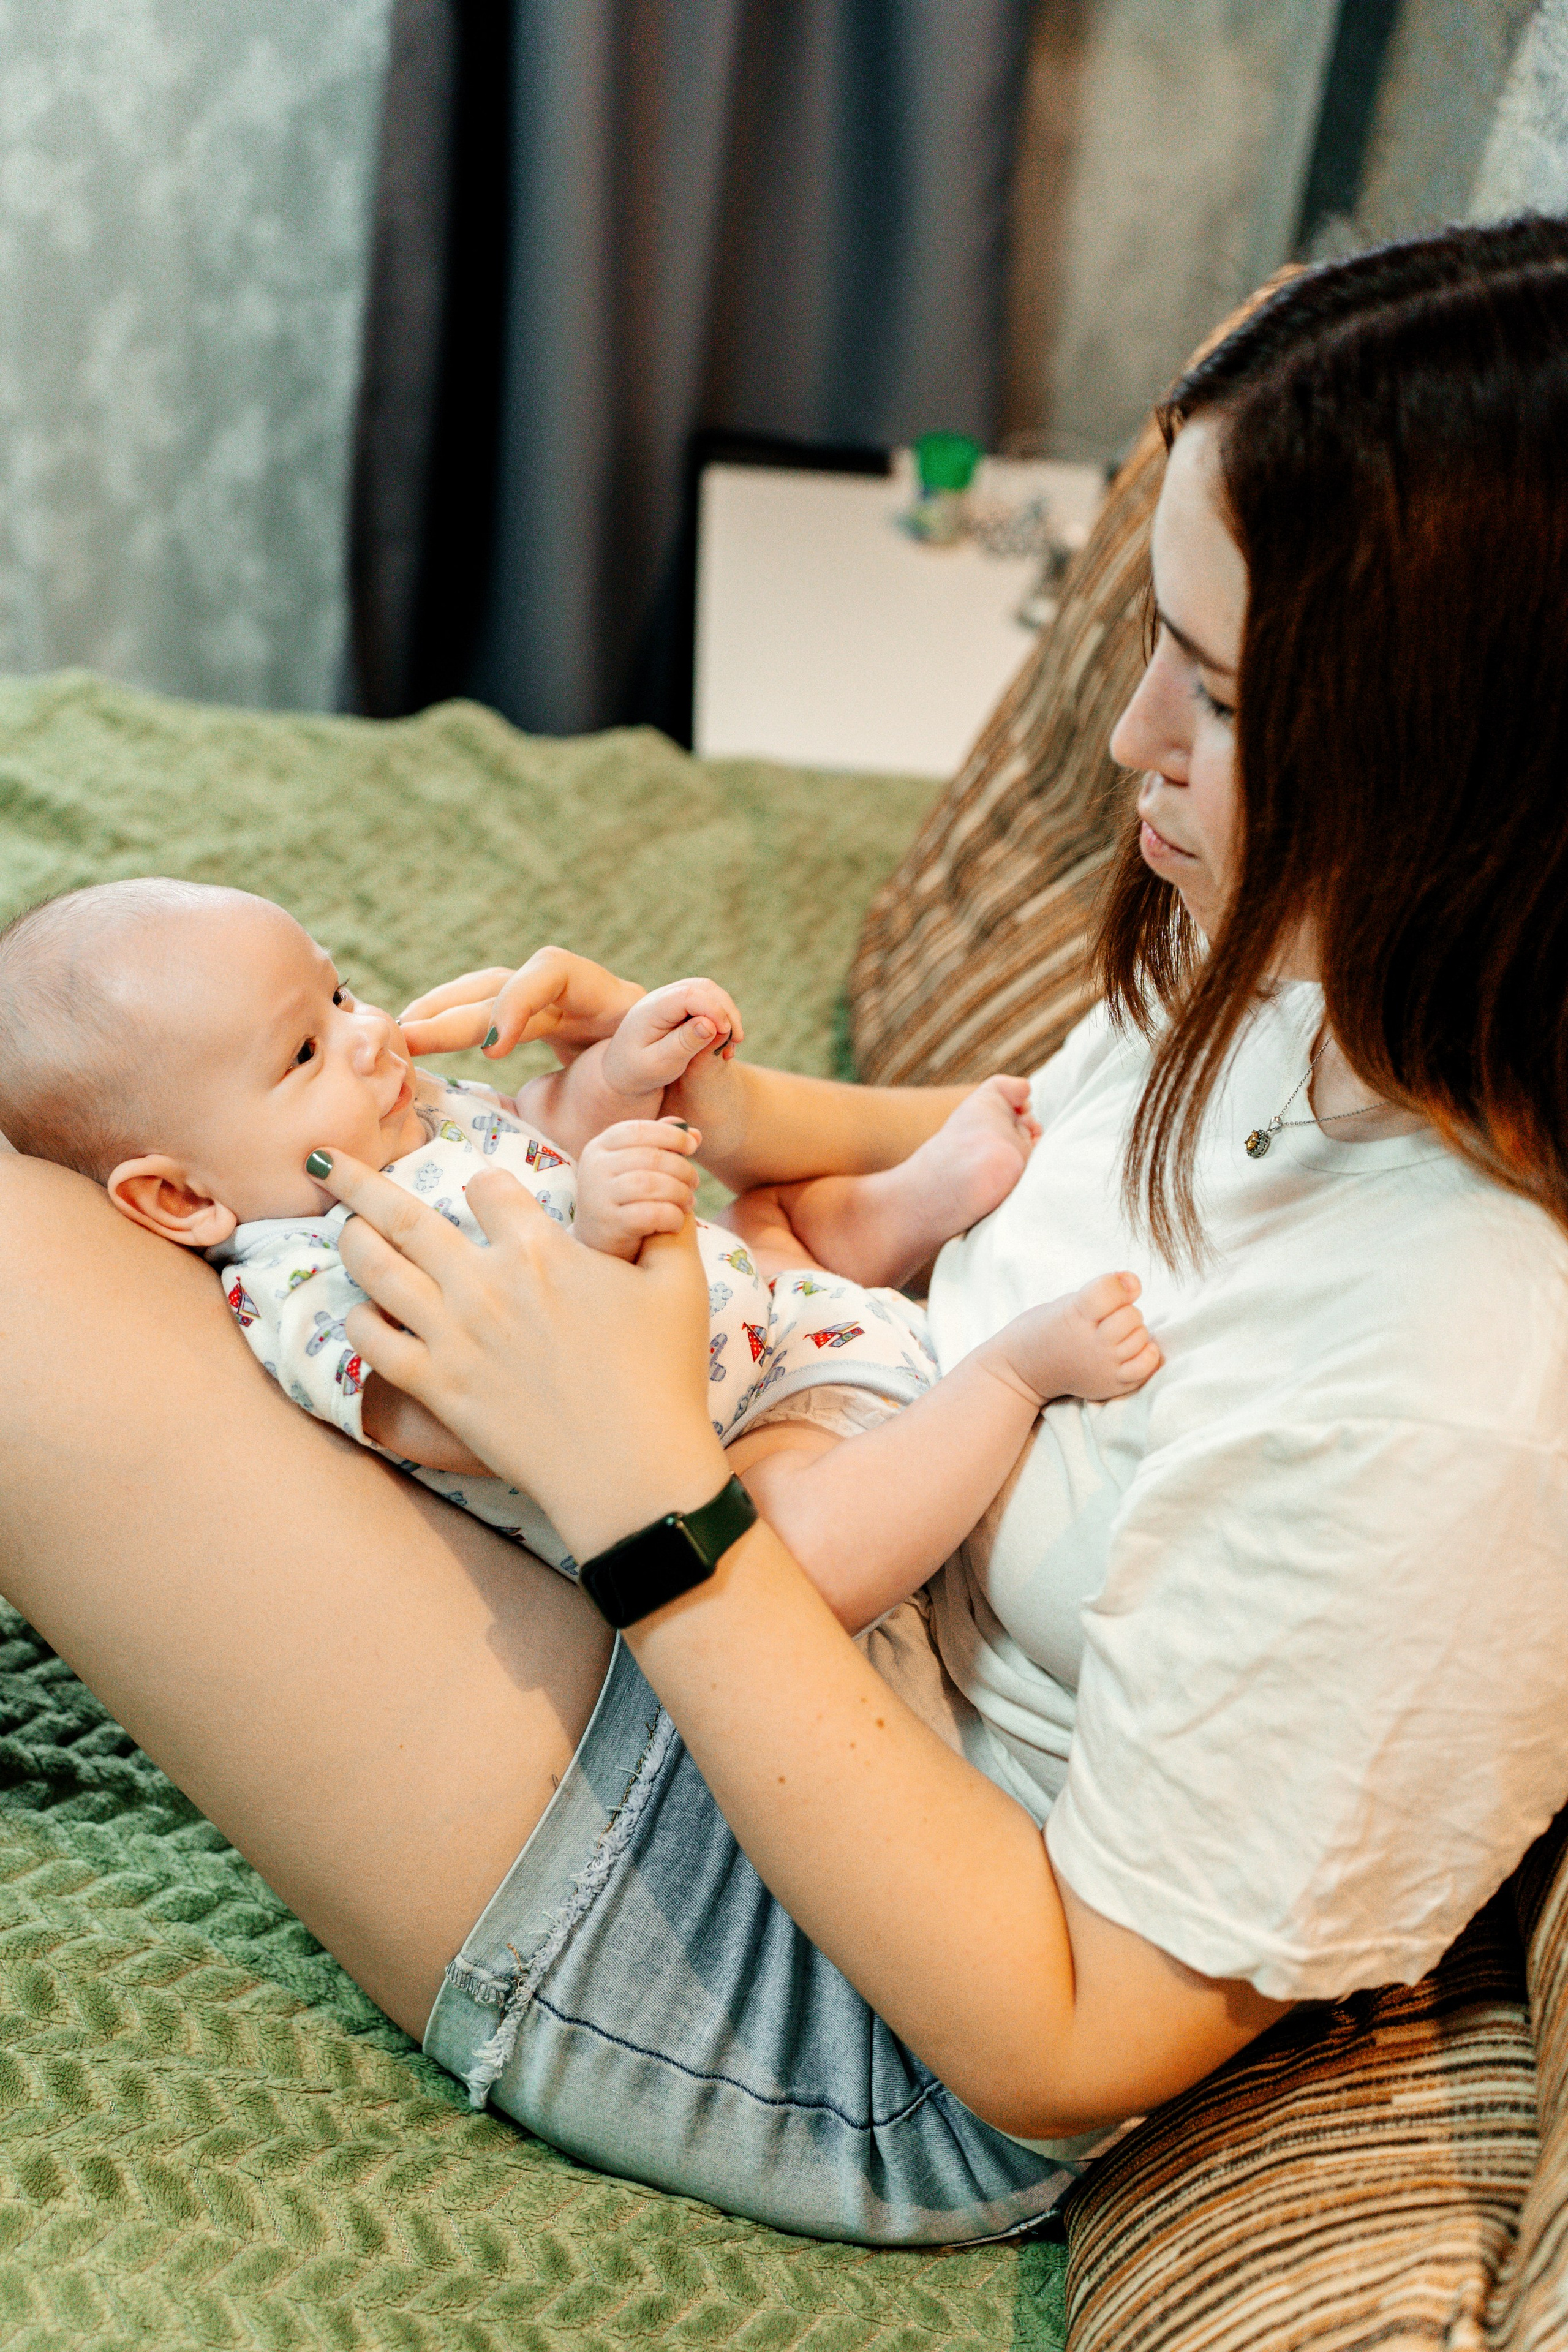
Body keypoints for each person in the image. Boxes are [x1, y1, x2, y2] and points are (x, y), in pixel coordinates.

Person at [1, 214, 1566, 2247]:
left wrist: (648, 1488)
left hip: (856, 1981)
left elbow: (1063, 2041)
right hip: (783, 1577)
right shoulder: (1328, 945)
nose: (1126, 749)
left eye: (1211, 688)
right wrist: (743, 1116)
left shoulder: (1467, 1402)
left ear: (1470, 773)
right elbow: (1067, 1155)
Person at [0, 882, 1156, 1605]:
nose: (365, 1036)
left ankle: (898, 1207)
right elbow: (477, 1412)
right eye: (302, 1053)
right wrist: (598, 1244)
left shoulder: (404, 1113)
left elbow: (542, 1127)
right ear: (174, 1200)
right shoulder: (300, 1290)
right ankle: (1010, 1374)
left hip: (780, 1315)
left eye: (342, 993)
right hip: (742, 1448)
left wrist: (625, 1070)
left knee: (767, 1220)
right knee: (799, 1576)